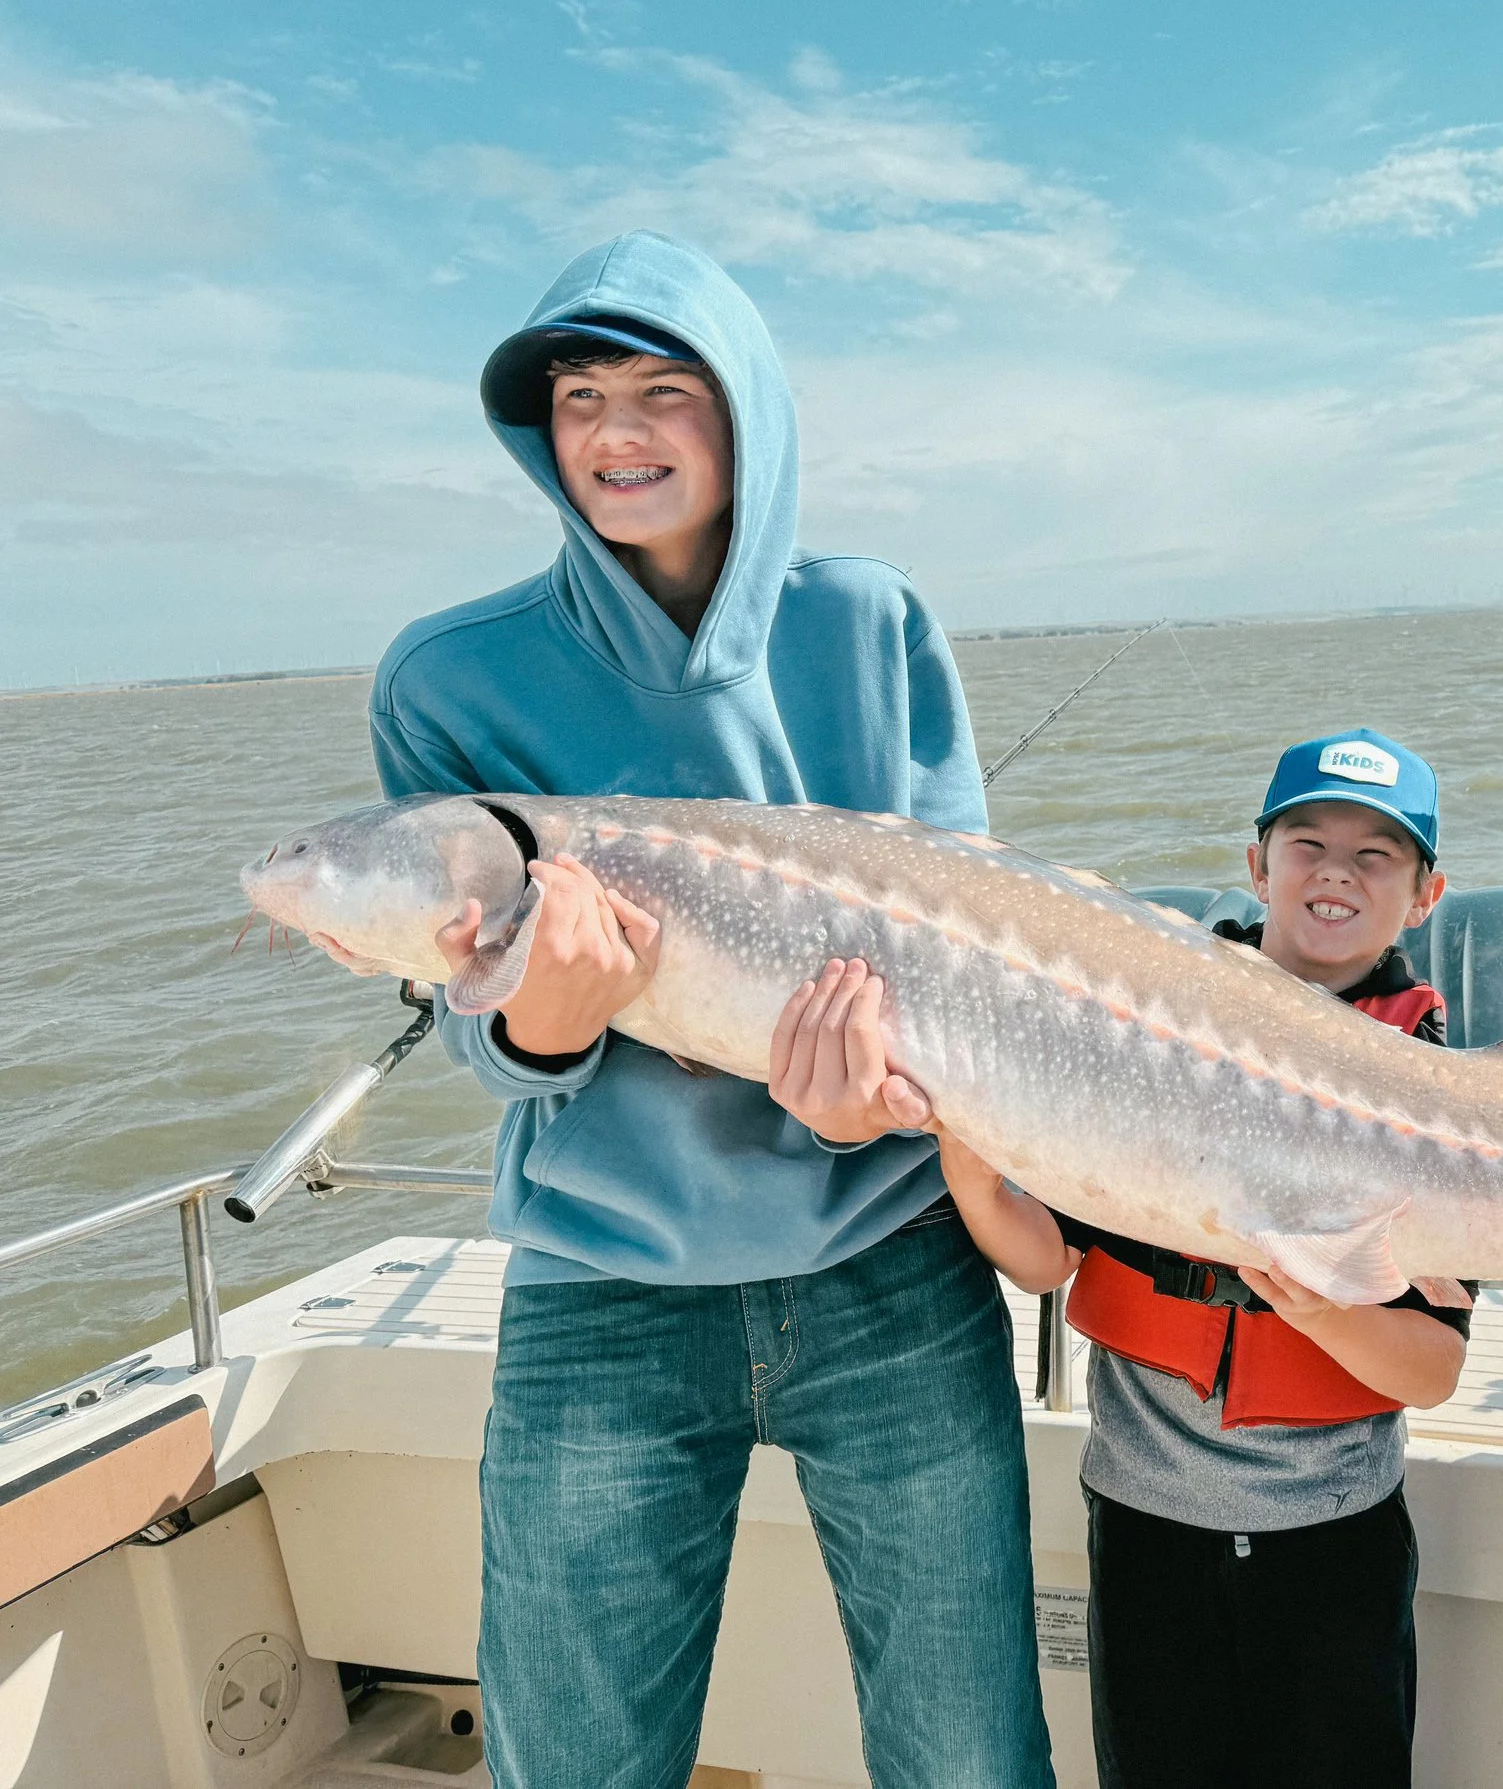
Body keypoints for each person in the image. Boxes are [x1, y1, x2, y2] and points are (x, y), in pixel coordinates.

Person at [357, 230, 1053, 1789]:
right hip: (601, 1285)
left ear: (748, 409)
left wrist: (880, 1098)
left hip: (889, 1260)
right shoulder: (450, 677)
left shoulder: (869, 623)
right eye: (581, 394)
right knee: (576, 1759)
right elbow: (481, 1022)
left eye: (665, 389)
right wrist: (547, 1019)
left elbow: (980, 954)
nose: (616, 432)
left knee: (967, 1751)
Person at [905, 728, 1467, 1789]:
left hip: (1334, 1537)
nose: (1336, 871)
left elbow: (1431, 1371)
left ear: (1425, 894)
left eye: (1376, 853)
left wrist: (1316, 1307)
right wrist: (973, 1170)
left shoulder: (1429, 1091)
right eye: (1307, 842)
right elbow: (1040, 1263)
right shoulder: (1146, 1033)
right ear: (1258, 867)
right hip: (1144, 1526)